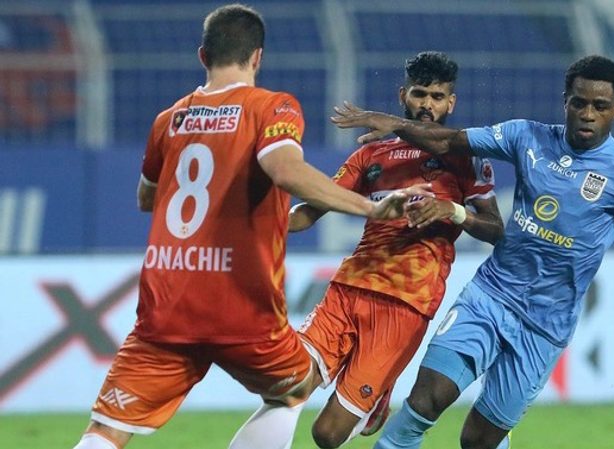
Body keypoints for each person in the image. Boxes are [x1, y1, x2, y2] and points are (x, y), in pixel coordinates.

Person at [70, 5, 429, 449]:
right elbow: (285, 170)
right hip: (241, 307)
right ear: (257, 57)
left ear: (203, 55)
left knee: (107, 429)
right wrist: (370, 208)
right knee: (293, 391)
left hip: (166, 306)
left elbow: (148, 198)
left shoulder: (169, 120)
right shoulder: (272, 107)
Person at [331, 55, 614, 449]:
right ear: (566, 101)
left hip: (545, 326)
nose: (587, 114)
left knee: (478, 441)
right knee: (425, 402)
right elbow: (449, 140)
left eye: (600, 106)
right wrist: (395, 124)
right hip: (489, 297)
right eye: (579, 103)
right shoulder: (526, 136)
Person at [286, 51, 504, 449]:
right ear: (403, 95)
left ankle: (378, 395)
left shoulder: (464, 158)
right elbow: (309, 212)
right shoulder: (369, 156)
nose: (427, 105)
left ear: (451, 103)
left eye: (437, 97)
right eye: (419, 94)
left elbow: (496, 231)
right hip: (349, 287)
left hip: (405, 304)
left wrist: (454, 212)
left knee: (327, 435)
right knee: (288, 387)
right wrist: (254, 225)